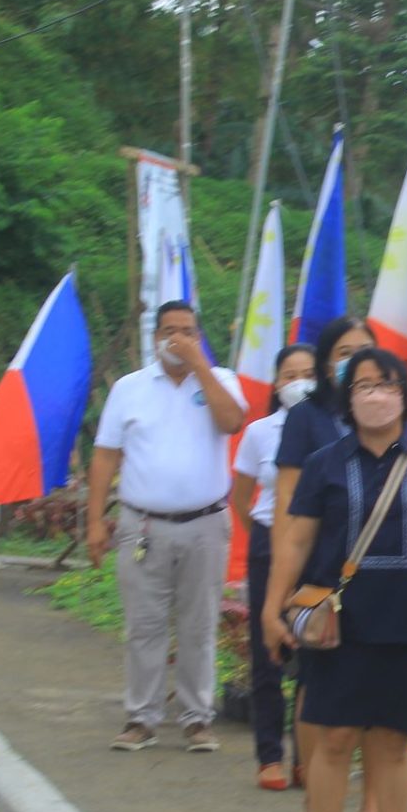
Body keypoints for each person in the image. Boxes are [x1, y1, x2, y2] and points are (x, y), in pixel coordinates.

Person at [262, 348, 407, 812]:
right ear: (348, 398)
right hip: (335, 621)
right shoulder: (325, 462)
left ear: (405, 395)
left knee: (395, 741)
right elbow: (296, 538)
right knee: (334, 737)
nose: (376, 394)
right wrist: (272, 607)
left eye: (387, 384)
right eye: (364, 385)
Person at [88, 301, 248, 754]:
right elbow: (105, 456)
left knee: (199, 624)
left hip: (205, 523)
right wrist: (94, 520)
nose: (177, 338)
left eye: (187, 331)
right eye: (169, 331)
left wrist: (199, 366)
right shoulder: (129, 388)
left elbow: (232, 422)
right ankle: (142, 717)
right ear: (154, 337)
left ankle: (198, 718)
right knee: (145, 625)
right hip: (142, 524)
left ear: (199, 336)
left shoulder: (223, 382)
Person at [273, 316, 382, 812]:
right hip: (319, 572)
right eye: (343, 351)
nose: (354, 359)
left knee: (380, 696)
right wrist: (283, 587)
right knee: (317, 690)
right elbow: (288, 505)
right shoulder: (307, 417)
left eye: (364, 350)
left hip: (382, 571)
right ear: (325, 360)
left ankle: (371, 805)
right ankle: (315, 801)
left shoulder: (393, 411)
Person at [231, 343, 318, 791]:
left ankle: (308, 758)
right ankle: (270, 756)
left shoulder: (333, 426)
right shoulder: (260, 432)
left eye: (308, 372)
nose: (299, 382)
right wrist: (266, 536)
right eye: (289, 374)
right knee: (269, 651)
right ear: (276, 382)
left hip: (317, 546)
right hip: (268, 541)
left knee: (312, 649)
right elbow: (241, 496)